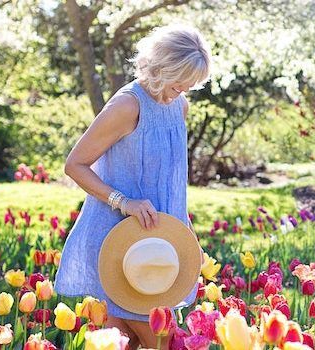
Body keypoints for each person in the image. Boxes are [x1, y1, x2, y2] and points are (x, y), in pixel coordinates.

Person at [56, 24, 211, 348]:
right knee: (161, 341)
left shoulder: (178, 106)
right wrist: (124, 202)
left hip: (159, 244)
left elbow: (170, 183)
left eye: (189, 85)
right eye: (179, 81)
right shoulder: (128, 106)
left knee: (120, 343)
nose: (182, 91)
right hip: (121, 245)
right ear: (160, 67)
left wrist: (184, 232)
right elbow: (75, 165)